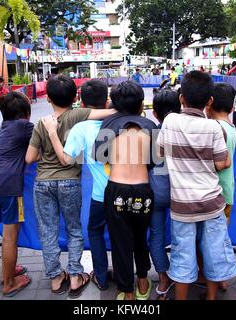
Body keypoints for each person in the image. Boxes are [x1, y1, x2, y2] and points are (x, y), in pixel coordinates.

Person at [25, 75, 115, 298]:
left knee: (48, 231)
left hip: (43, 182)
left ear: (47, 98)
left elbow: (29, 158)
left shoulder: (41, 123)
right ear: (75, 98)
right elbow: (110, 112)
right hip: (69, 182)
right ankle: (75, 276)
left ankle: (56, 278)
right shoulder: (77, 115)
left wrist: (46, 151)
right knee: (74, 229)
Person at [157, 71, 236, 300]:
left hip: (182, 205)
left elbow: (161, 151)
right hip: (211, 204)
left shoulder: (171, 121)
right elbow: (222, 163)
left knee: (183, 254)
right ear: (210, 101)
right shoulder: (214, 128)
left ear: (181, 97)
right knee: (213, 252)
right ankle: (211, 298)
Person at [93, 80, 157, 300]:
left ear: (115, 103)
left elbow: (99, 156)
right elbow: (157, 160)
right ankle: (142, 283)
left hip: (116, 190)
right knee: (141, 238)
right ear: (141, 103)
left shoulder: (108, 124)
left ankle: (127, 293)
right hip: (143, 191)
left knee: (120, 243)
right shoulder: (150, 126)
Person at [0, 92, 33, 297]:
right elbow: (49, 131)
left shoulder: (5, 126)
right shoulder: (23, 126)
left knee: (8, 235)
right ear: (26, 113)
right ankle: (8, 283)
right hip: (11, 189)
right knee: (10, 237)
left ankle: (8, 271)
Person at [149, 89, 181, 300]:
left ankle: (162, 278)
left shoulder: (151, 135)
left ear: (155, 114)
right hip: (183, 194)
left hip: (156, 193)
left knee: (157, 237)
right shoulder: (186, 133)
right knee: (183, 239)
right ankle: (184, 277)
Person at [206, 83, 236, 225]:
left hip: (216, 194)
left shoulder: (215, 129)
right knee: (221, 238)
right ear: (232, 108)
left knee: (213, 240)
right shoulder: (231, 128)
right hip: (227, 190)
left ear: (209, 103)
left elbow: (220, 163)